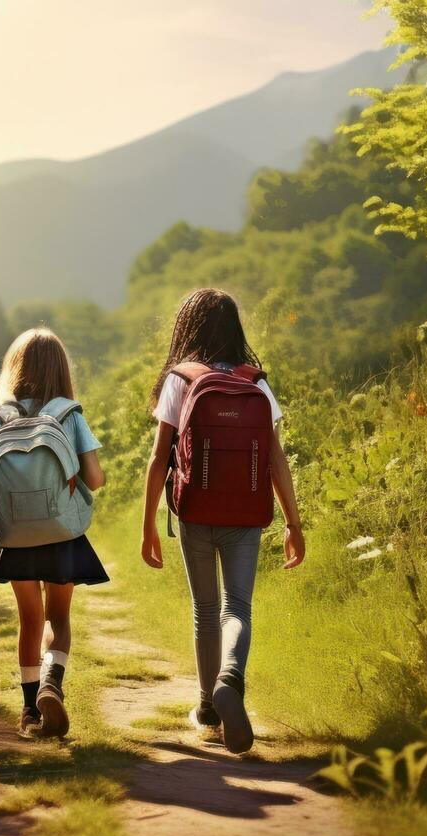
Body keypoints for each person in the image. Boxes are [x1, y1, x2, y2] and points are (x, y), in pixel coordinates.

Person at [140, 288, 305, 753]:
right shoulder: (257, 383)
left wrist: (149, 523)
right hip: (246, 515)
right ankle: (230, 679)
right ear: (235, 329)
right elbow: (275, 459)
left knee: (205, 611)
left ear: (188, 327)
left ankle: (208, 709)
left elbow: (159, 458)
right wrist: (293, 523)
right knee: (238, 608)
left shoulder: (182, 378)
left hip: (195, 511)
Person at [0, 328, 108, 737]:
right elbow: (94, 479)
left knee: (29, 620)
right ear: (61, 370)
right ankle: (51, 683)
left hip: (15, 539)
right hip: (62, 533)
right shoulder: (68, 413)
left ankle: (29, 711)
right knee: (58, 618)